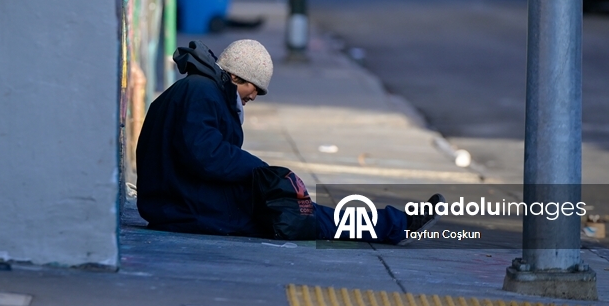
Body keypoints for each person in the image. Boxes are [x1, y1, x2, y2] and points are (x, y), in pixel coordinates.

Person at [136, 39, 442, 243]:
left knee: (307, 211)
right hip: (186, 209)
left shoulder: (199, 91)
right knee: (304, 216)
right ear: (235, 77)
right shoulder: (201, 94)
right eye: (254, 88)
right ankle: (398, 224)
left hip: (185, 201)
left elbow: (204, 153)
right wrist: (262, 170)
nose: (254, 96)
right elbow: (205, 155)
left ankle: (397, 222)